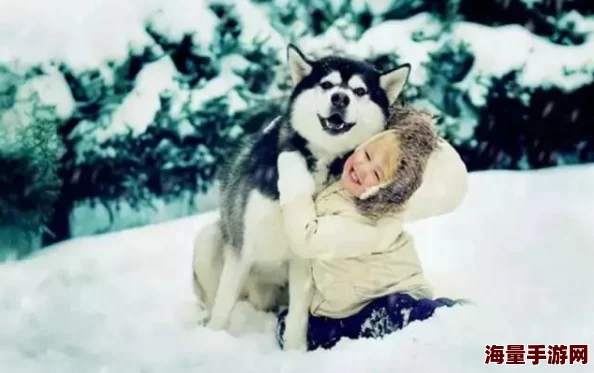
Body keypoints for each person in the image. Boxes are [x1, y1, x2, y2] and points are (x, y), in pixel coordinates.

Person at [275, 105, 468, 351]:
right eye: (366, 154)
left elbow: (306, 239)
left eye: (376, 174)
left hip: (389, 295)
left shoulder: (368, 225)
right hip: (342, 303)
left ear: (387, 193)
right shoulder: (347, 185)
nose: (362, 168)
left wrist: (294, 188)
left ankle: (449, 319)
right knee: (322, 328)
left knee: (396, 313)